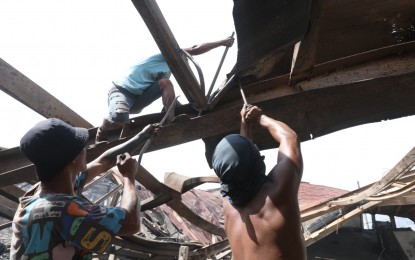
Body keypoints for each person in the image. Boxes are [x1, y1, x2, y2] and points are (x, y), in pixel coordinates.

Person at [10, 118, 159, 259]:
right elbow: (131, 223)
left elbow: (104, 161)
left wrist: (140, 137)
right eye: (82, 146)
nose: (86, 149)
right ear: (73, 158)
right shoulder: (64, 210)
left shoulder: (44, 190)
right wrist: (128, 176)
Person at [95, 35, 235, 143]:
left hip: (137, 99)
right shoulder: (166, 55)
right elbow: (194, 49)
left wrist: (177, 107)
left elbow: (166, 90)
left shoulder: (167, 73)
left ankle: (170, 117)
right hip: (122, 91)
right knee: (119, 119)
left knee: (166, 83)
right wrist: (222, 42)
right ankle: (103, 129)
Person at [211, 105, 306, 260]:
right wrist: (260, 118)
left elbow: (242, 168)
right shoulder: (278, 192)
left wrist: (245, 123)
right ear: (256, 162)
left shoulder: (229, 207)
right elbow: (289, 138)